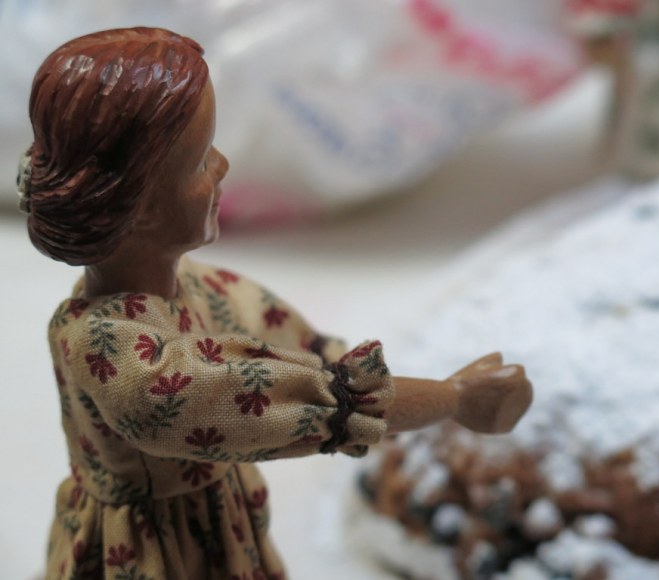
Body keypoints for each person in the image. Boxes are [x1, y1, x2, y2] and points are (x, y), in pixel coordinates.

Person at [19, 27, 533, 579]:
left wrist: (392, 383)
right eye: (199, 161)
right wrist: (455, 398)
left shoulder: (194, 288)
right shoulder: (118, 356)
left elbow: (304, 351)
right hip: (157, 554)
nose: (222, 166)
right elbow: (297, 401)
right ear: (138, 208)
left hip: (216, 527)